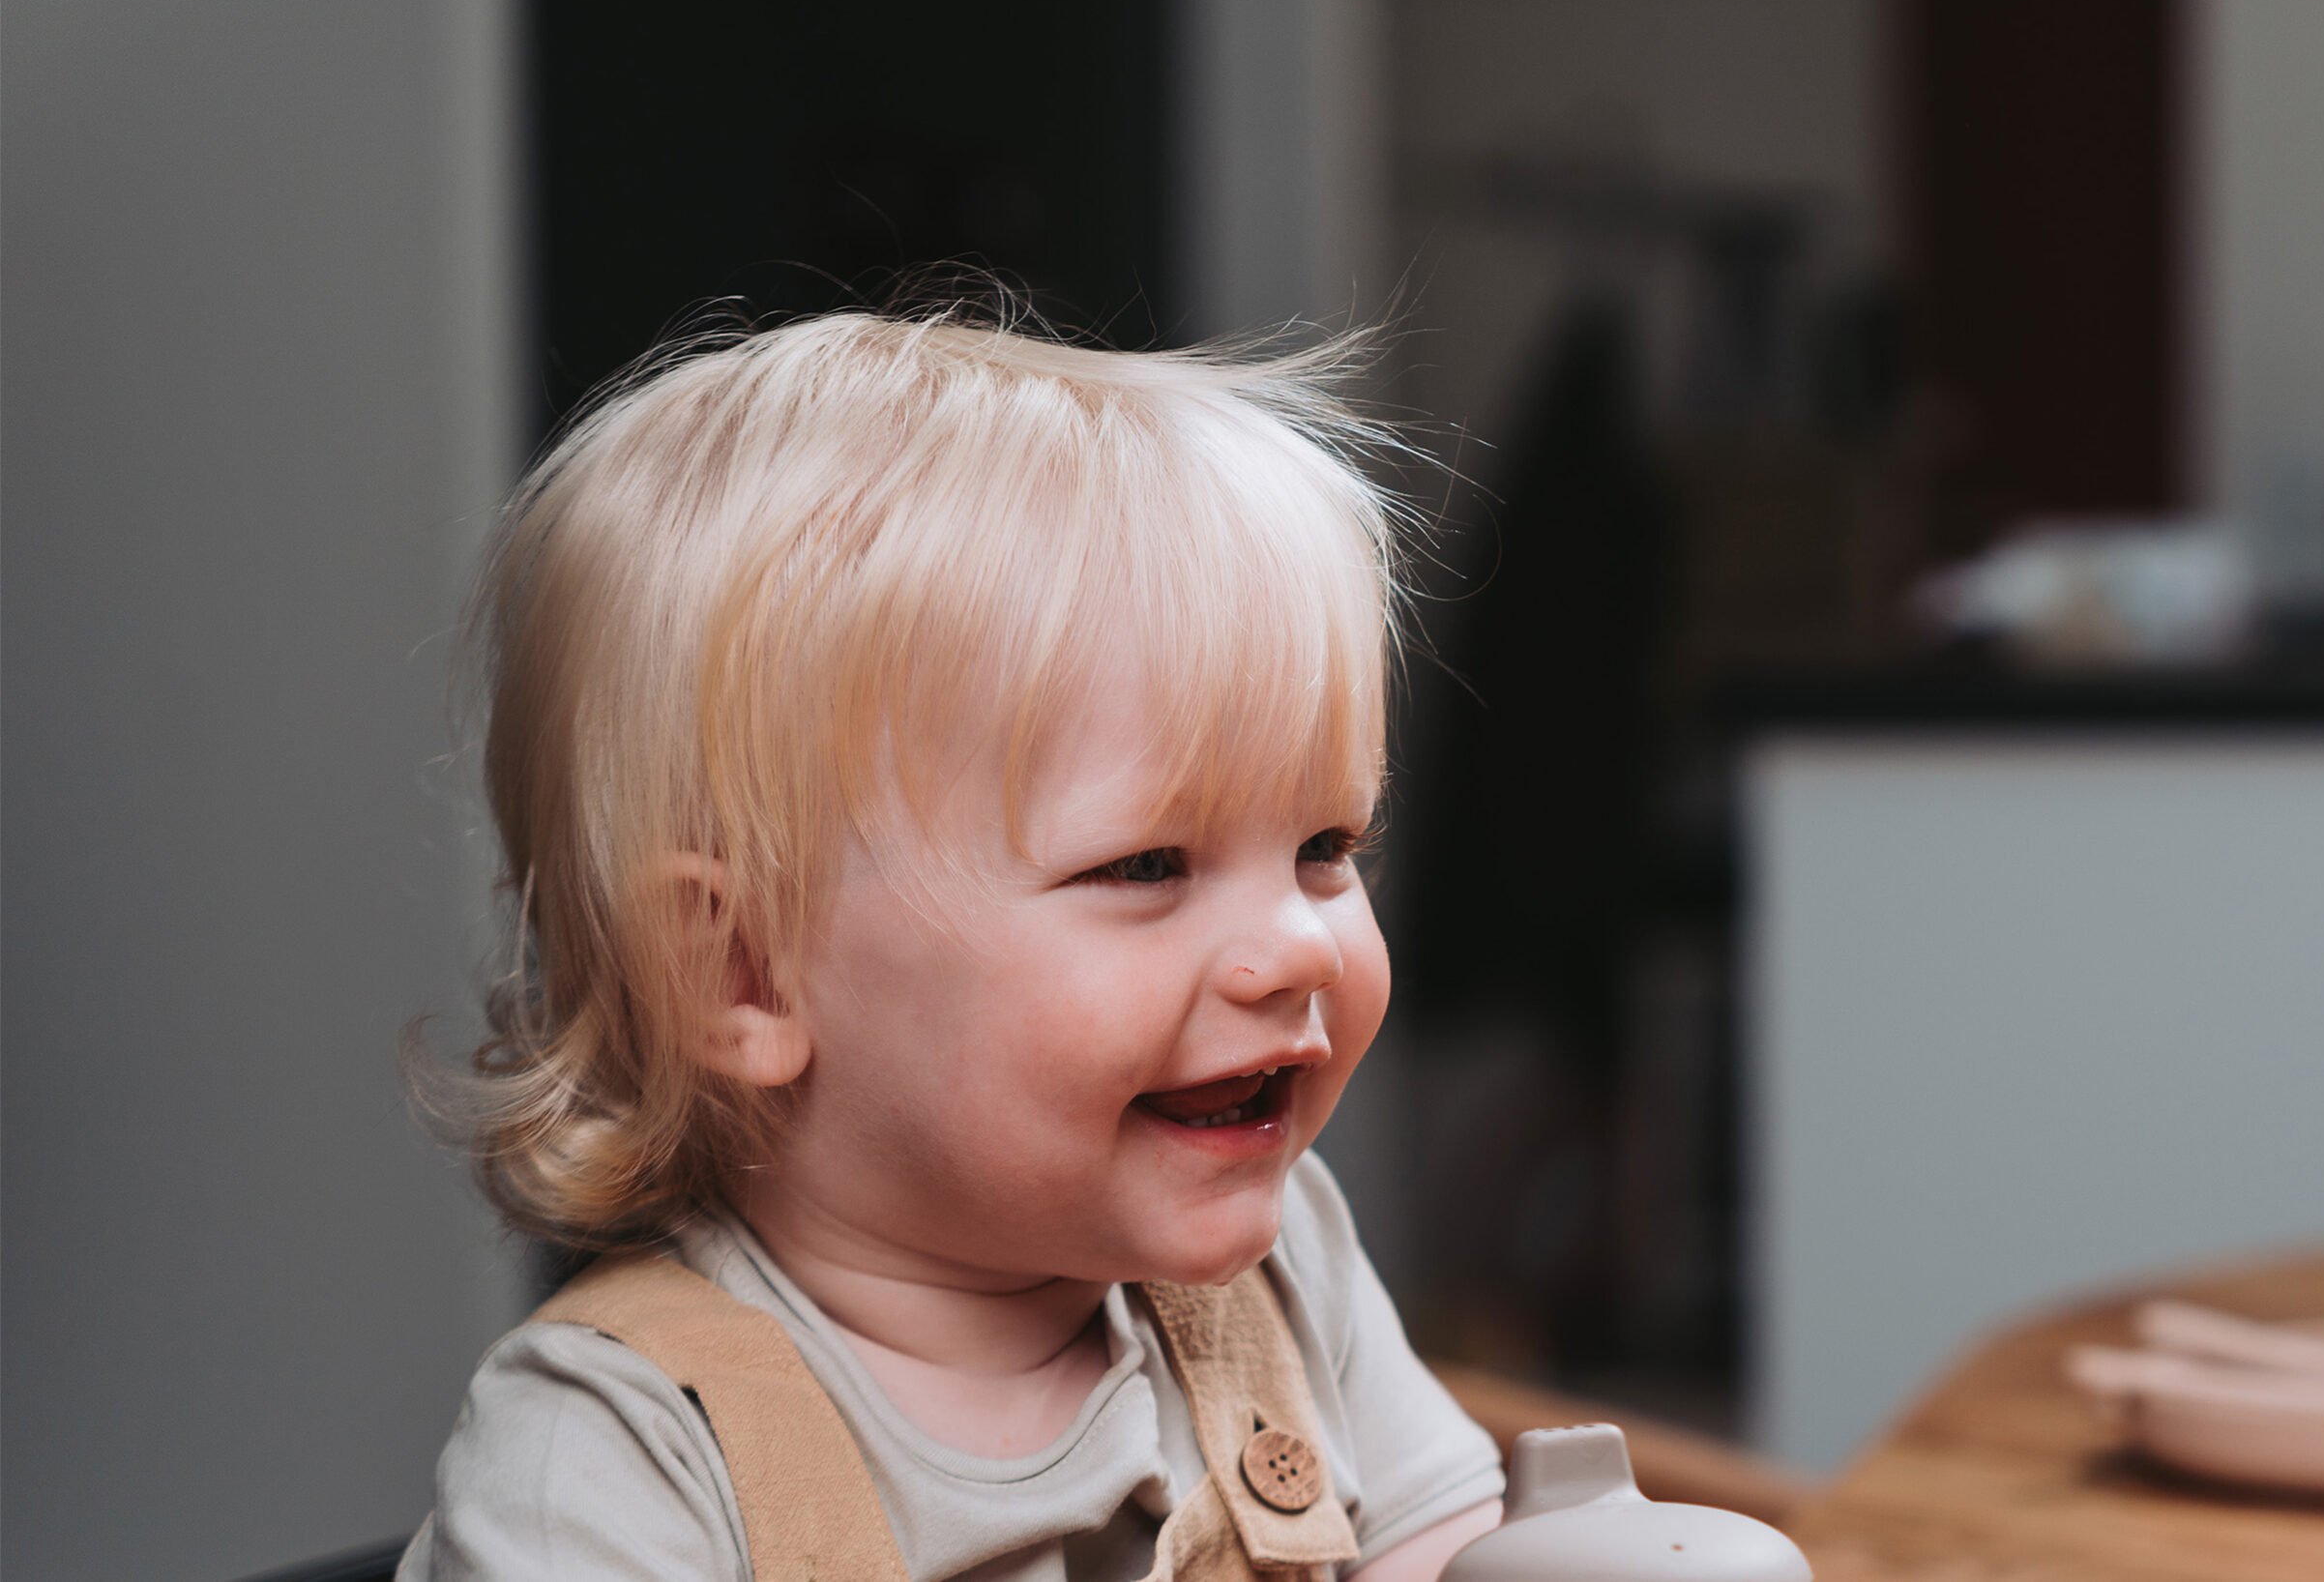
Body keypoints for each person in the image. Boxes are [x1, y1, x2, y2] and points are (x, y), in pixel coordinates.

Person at [400, 306, 1505, 1582]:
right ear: (740, 972)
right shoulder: (619, 1459)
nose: (1302, 949)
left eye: (1324, 845)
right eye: (1146, 864)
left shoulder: (1286, 1275)